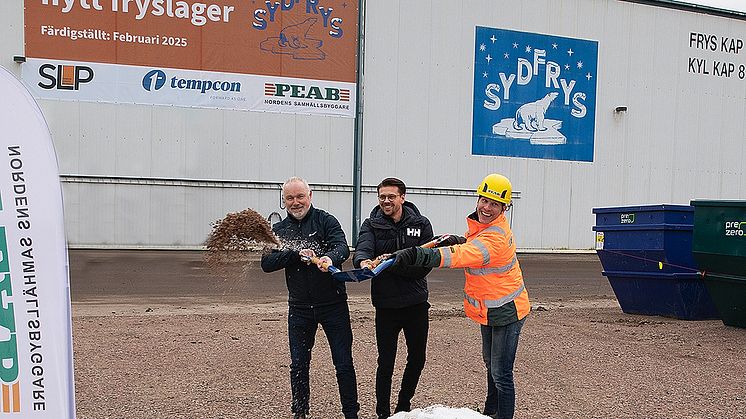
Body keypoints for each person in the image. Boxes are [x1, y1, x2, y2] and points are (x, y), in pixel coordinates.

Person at [389, 173, 530, 419]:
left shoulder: (495, 236)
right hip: (492, 308)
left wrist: (417, 255)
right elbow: (470, 245)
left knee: (501, 373)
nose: (486, 207)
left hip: (508, 309)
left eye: (494, 204)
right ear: (478, 199)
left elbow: (462, 256)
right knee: (491, 365)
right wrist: (460, 239)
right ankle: (491, 412)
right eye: (484, 200)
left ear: (503, 207)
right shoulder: (482, 227)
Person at [261, 177, 359, 419]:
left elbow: (342, 248)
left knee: (343, 362)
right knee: (299, 365)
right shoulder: (279, 231)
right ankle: (300, 412)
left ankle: (351, 413)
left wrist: (328, 258)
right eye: (290, 198)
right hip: (300, 308)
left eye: (300, 196)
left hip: (333, 305)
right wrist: (295, 255)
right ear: (284, 202)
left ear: (310, 195)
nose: (296, 202)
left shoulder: (326, 220)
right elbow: (267, 263)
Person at [353, 178, 434, 419]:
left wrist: (390, 264)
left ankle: (403, 406)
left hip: (416, 303)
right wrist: (364, 261)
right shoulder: (371, 224)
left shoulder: (421, 224)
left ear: (402, 197)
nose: (386, 201)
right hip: (386, 305)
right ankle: (382, 413)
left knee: (417, 358)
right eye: (382, 197)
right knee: (385, 362)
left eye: (391, 196)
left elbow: (424, 264)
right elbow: (364, 248)